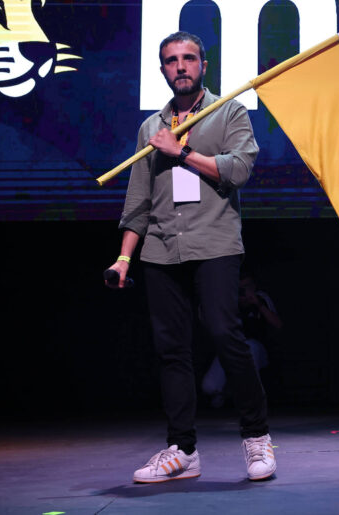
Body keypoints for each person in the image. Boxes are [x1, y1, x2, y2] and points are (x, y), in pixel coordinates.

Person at [105, 31, 275, 483]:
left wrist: (180, 151)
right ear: (162, 69)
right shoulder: (150, 129)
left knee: (224, 333)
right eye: (171, 60)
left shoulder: (229, 112)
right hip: (161, 249)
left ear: (203, 65)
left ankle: (256, 435)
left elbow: (239, 170)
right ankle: (182, 449)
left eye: (188, 58)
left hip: (215, 243)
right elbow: (138, 202)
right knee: (171, 350)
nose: (180, 66)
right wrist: (123, 259)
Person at [202, 272, 282, 407]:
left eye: (247, 287)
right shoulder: (229, 300)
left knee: (250, 346)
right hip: (231, 347)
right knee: (209, 387)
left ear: (254, 286)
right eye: (241, 288)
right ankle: (227, 394)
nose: (244, 291)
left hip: (257, 349)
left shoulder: (261, 298)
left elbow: (278, 325)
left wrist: (258, 305)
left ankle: (251, 399)